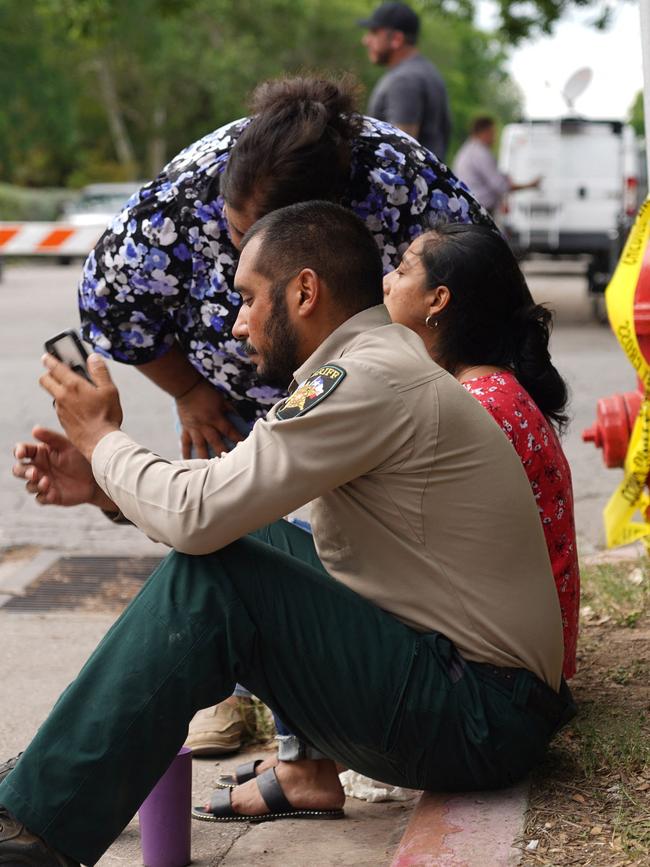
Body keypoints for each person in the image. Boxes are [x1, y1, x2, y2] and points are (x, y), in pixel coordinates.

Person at [2, 202, 573, 866]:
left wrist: (102, 439)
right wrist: (106, 485)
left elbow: (199, 512)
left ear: (304, 291)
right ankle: (46, 789)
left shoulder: (365, 377)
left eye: (247, 298)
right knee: (249, 543)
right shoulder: (377, 364)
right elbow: (223, 506)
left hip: (478, 717)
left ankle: (32, 832)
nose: (237, 321)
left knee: (217, 575)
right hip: (478, 698)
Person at [79, 75, 492, 755]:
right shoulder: (186, 196)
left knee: (315, 559)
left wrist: (101, 444)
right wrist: (187, 389)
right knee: (235, 539)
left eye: (254, 246)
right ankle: (229, 694)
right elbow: (108, 300)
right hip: (244, 402)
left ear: (315, 247)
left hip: (381, 400)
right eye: (232, 233)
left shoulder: (406, 186)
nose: (235, 254)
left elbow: (482, 287)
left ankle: (316, 735)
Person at [383, 222, 579, 679]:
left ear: (438, 300)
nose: (387, 280)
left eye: (402, 269)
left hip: (503, 665)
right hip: (530, 648)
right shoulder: (494, 389)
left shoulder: (477, 406)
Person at [359, 2, 451, 159]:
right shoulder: (428, 72)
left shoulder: (404, 80)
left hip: (403, 184)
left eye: (374, 32)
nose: (366, 40)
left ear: (396, 39)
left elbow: (400, 156)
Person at [453, 116, 541, 215]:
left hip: (468, 207)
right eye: (493, 133)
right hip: (478, 210)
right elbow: (500, 185)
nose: (494, 137)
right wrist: (530, 185)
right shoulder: (480, 153)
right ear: (485, 132)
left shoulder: (468, 149)